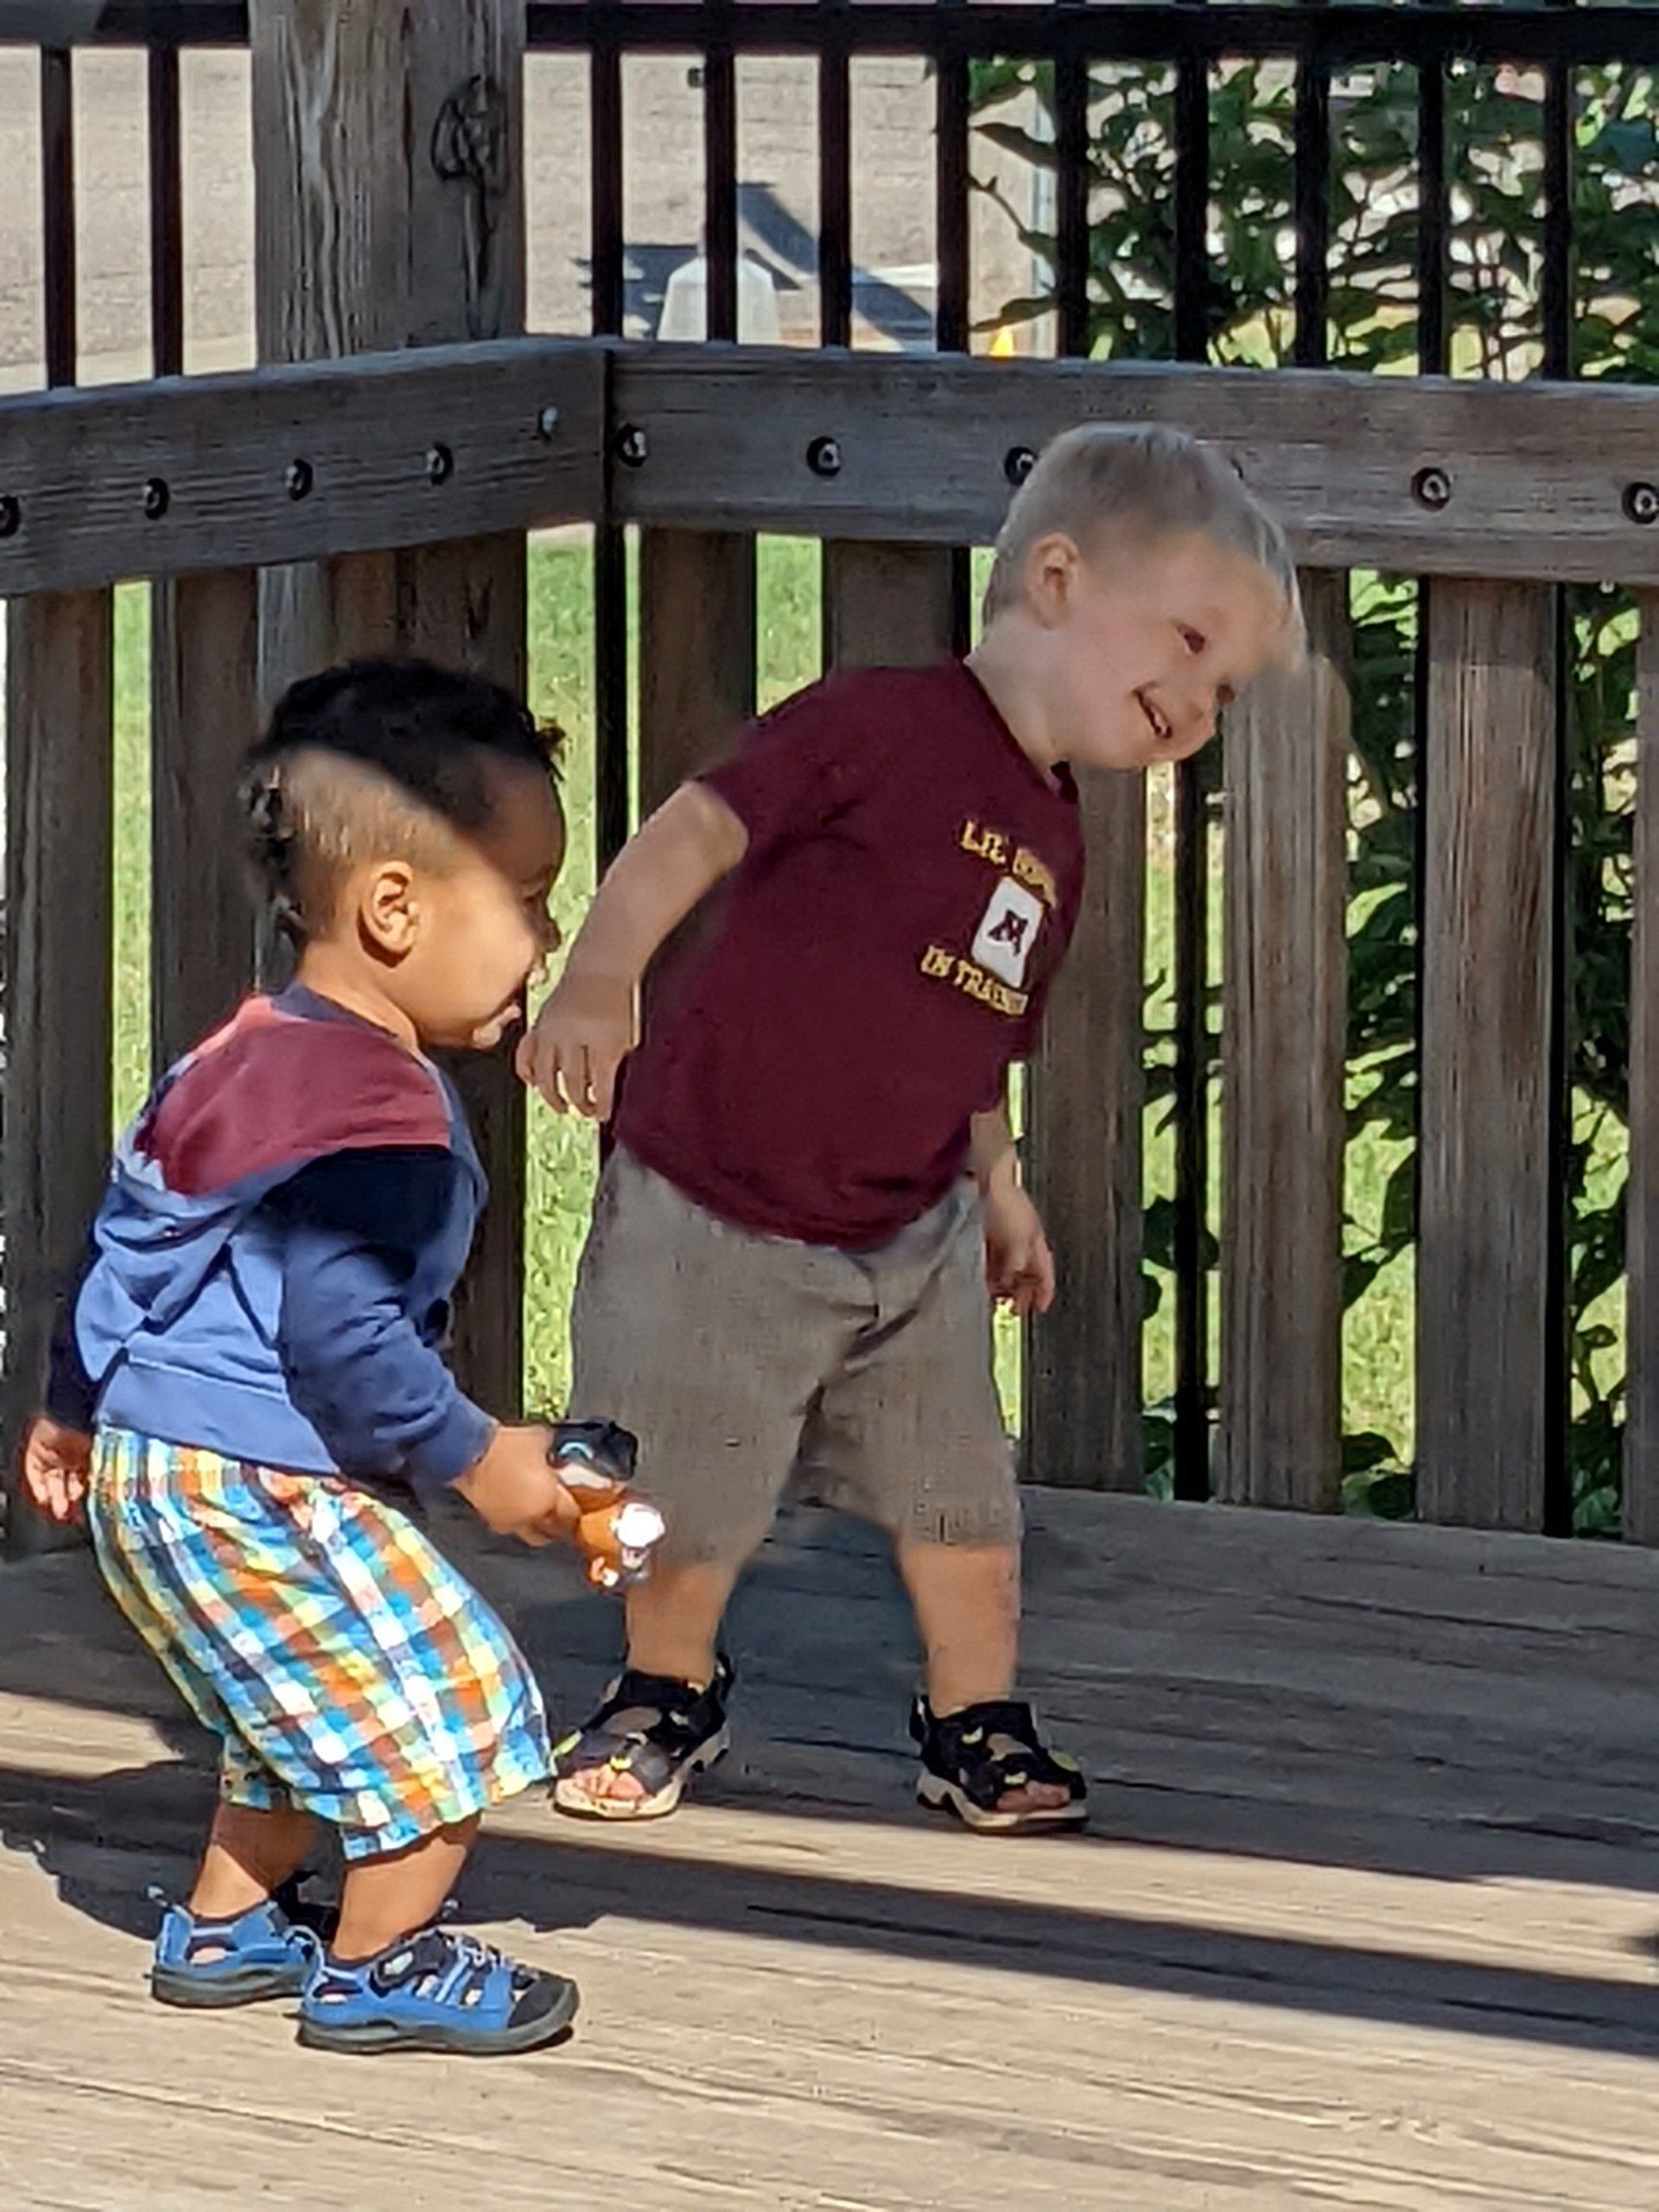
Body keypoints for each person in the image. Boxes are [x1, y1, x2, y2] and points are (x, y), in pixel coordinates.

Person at [519, 423, 1303, 1834]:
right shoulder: (877, 724)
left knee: (966, 1506)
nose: (1199, 703)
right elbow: (695, 830)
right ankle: (661, 1693)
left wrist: (998, 1187)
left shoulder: (1056, 836)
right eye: (1188, 644)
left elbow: (972, 1035)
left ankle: (976, 1721)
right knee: (687, 1489)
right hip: (718, 1199)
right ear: (1057, 578)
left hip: (912, 1223)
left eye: (1226, 686)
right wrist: (597, 974)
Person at [23, 659, 593, 2056]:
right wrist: (482, 1459)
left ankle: (223, 1926)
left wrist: (70, 1407)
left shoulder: (239, 1051)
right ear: (394, 908)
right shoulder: (382, 1115)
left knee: (297, 1702)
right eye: (526, 898)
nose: (550, 930)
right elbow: (336, 1331)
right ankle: (382, 1958)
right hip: (253, 1474)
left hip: (151, 1475)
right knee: (445, 1701)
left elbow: (131, 1235)